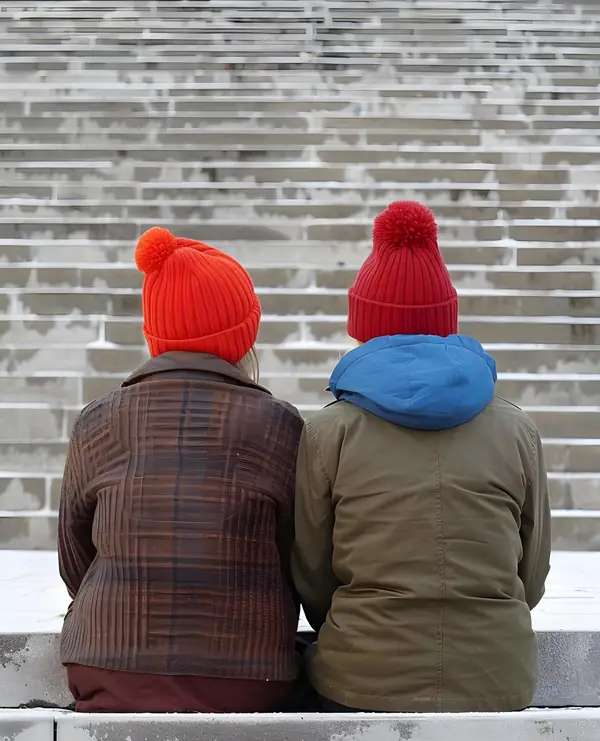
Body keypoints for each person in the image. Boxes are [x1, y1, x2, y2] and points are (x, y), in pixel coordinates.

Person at [292, 201, 551, 713]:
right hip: (498, 677)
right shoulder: (518, 429)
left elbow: (313, 577)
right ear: (446, 323)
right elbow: (533, 573)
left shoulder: (328, 431)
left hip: (360, 679)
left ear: (362, 327)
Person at [58, 227, 303, 713]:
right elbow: (300, 554)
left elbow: (74, 560)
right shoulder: (281, 425)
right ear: (244, 333)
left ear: (156, 334)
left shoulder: (97, 420)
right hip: (248, 675)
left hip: (107, 667)